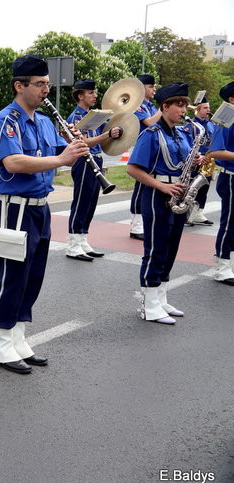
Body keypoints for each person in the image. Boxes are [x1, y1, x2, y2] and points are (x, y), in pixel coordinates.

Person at [0, 55, 89, 374]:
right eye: (40, 84)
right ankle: (0, 342)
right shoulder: (6, 120)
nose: (46, 89)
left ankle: (18, 336)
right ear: (20, 86)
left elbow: (64, 151)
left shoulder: (44, 121)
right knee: (12, 277)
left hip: (40, 208)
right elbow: (13, 163)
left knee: (33, 277)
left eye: (47, 83)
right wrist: (61, 160)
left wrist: (87, 140)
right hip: (13, 207)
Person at [126, 82, 198, 325]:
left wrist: (195, 159)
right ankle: (149, 304)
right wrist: (162, 186)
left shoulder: (181, 133)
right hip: (158, 194)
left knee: (171, 247)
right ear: (165, 106)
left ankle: (161, 297)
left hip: (178, 193)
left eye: (185, 105)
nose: (183, 109)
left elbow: (182, 164)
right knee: (156, 249)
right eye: (179, 105)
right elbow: (132, 169)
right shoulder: (151, 134)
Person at [65, 79, 123, 261]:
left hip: (95, 160)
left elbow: (96, 141)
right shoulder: (75, 118)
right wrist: (108, 135)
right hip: (83, 162)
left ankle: (82, 240)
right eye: (91, 93)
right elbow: (82, 142)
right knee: (81, 201)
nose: (95, 95)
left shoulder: (93, 116)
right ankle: (73, 244)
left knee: (90, 203)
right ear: (80, 95)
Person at [129, 74, 162, 240]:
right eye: (151, 86)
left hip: (154, 148)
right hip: (143, 148)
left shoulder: (150, 105)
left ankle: (143, 222)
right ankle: (136, 224)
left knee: (147, 185)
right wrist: (164, 108)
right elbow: (150, 122)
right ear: (142, 88)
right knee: (140, 187)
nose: (154, 89)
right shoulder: (138, 106)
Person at [209, 81, 234, 286]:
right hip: (231, 177)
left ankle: (229, 263)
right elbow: (215, 151)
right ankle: (222, 267)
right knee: (229, 222)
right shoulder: (226, 119)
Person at [182, 96, 217, 226]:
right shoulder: (190, 125)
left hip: (208, 159)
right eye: (205, 108)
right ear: (198, 109)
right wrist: (198, 157)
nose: (208, 110)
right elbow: (187, 144)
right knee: (191, 188)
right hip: (196, 160)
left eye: (208, 107)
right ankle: (186, 213)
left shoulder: (211, 124)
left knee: (204, 187)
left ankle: (198, 213)